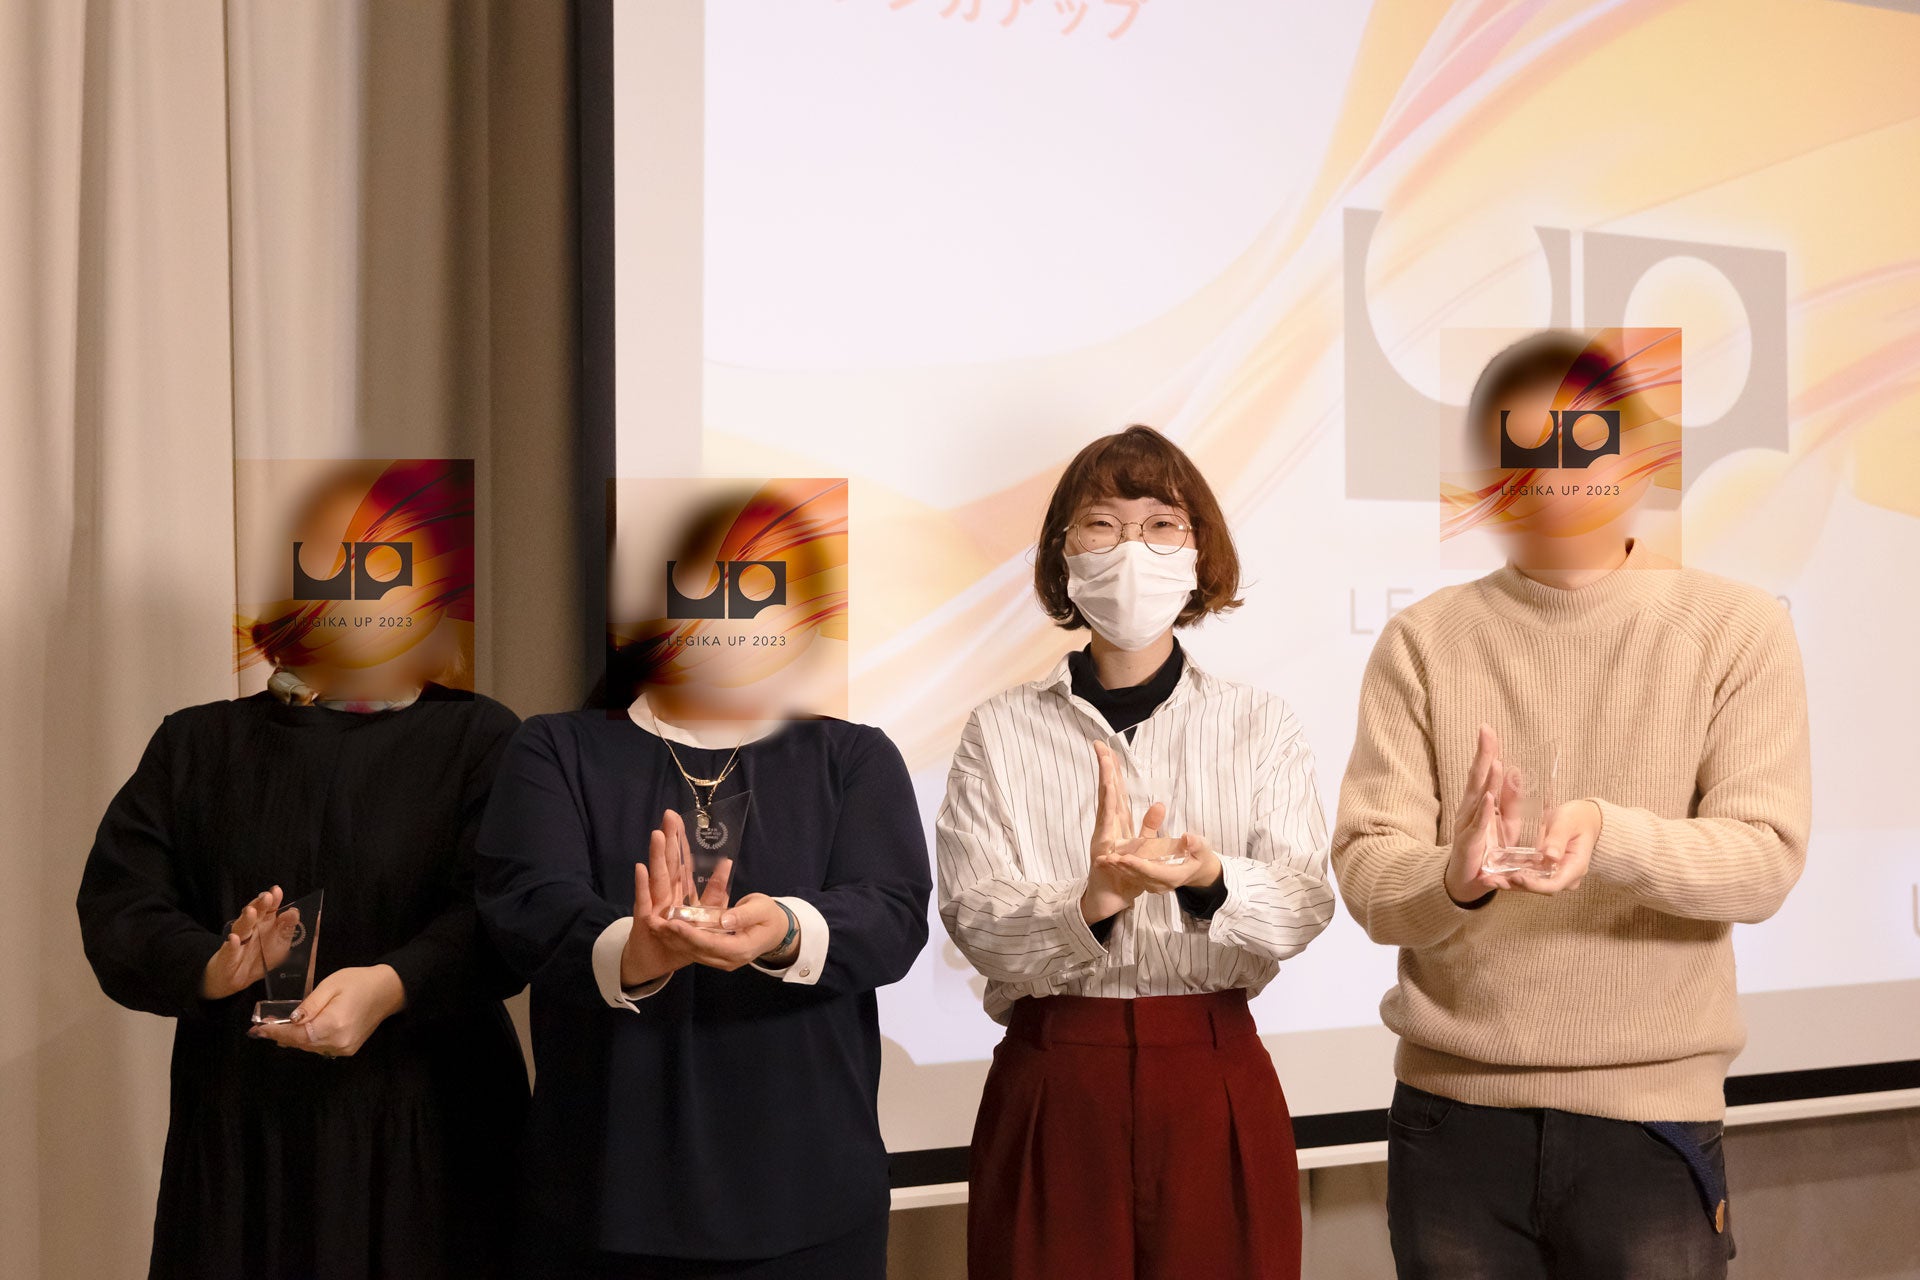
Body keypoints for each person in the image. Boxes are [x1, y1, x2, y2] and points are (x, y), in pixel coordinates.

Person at [1332, 330, 1811, 1279]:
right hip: (1454, 1122)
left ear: (1641, 456)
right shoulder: (1422, 641)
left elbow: (1764, 860)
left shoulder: (1739, 628)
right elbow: (1367, 872)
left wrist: (1607, 835)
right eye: (1523, 442)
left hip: (1652, 1124)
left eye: (1585, 439)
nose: (1554, 469)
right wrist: (1453, 878)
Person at [75, 460, 529, 1279]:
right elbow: (120, 906)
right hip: (245, 1140)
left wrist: (389, 985)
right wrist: (213, 965)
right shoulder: (197, 744)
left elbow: (504, 913)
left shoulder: (481, 739)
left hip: (431, 1138)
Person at [475, 480, 930, 1279]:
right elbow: (526, 907)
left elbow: (892, 915)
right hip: (604, 1196)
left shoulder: (853, 755)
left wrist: (785, 929)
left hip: (812, 1197)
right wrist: (635, 949)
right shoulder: (555, 748)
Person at [937, 424, 1335, 1280]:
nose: (1131, 550)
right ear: (1064, 554)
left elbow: (1305, 903)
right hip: (1054, 1074)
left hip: (1214, 1071)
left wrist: (1210, 880)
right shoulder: (999, 729)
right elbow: (973, 919)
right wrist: (1093, 903)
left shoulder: (1259, 722)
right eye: (1101, 525)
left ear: (1198, 551)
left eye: (1161, 525)